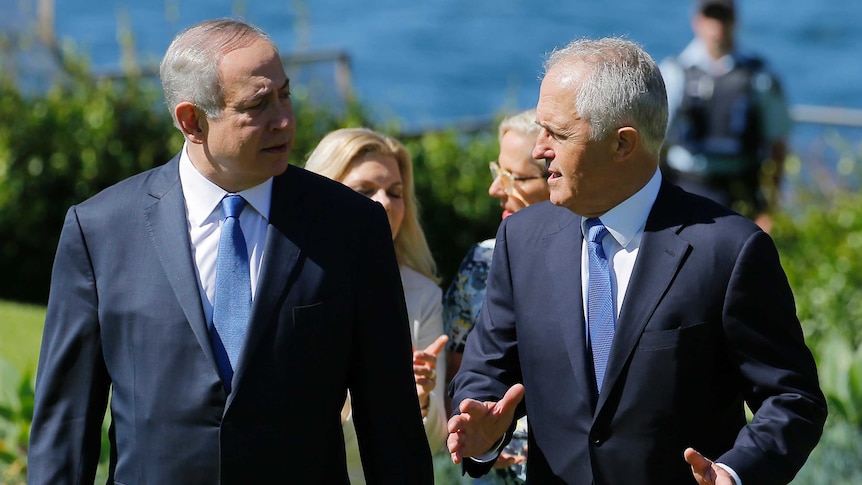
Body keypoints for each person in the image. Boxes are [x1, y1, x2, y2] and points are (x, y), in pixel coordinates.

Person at [27, 18, 433, 484]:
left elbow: (390, 421)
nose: (284, 119)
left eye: (285, 94)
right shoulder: (99, 230)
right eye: (259, 104)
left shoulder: (351, 226)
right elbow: (66, 425)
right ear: (192, 121)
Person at [447, 37, 826, 485]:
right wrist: (483, 428)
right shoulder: (522, 239)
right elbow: (486, 371)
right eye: (540, 129)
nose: (538, 149)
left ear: (623, 144)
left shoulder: (728, 249)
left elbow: (792, 398)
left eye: (558, 133)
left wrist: (733, 473)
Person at [304, 127, 449, 482]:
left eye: (395, 192)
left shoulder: (423, 295)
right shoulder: (284, 283)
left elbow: (434, 443)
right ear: (324, 193)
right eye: (365, 190)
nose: (384, 202)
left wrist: (419, 402)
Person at [442, 108, 549, 484]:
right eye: (496, 171)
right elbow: (456, 377)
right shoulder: (480, 264)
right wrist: (476, 433)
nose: (495, 189)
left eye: (515, 177)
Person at [660, 0, 792, 232]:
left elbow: (778, 145)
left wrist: (769, 208)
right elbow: (656, 142)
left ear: (735, 21)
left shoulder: (758, 75)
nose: (716, 26)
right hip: (686, 186)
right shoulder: (674, 72)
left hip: (741, 191)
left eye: (723, 17)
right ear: (697, 21)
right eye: (711, 16)